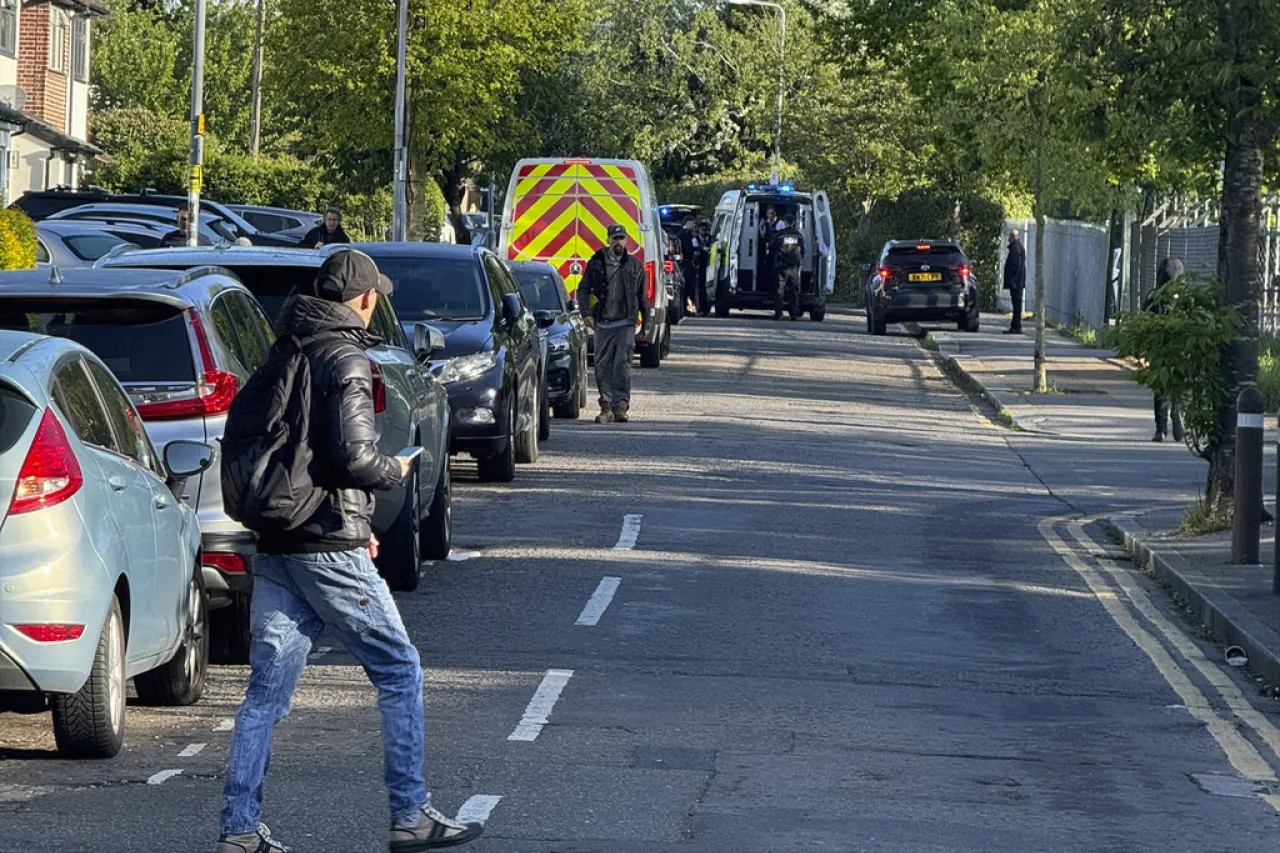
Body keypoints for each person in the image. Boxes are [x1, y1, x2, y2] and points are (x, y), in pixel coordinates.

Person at [214, 250, 483, 853]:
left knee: (265, 693)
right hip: (326, 545)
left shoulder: (284, 352)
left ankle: (237, 829)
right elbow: (354, 458)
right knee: (398, 667)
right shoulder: (347, 358)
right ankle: (410, 815)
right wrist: (397, 469)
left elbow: (300, 457)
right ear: (363, 300)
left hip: (278, 541)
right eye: (374, 295)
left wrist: (355, 516)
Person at [581, 224, 652, 424]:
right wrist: (586, 313)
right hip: (603, 323)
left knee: (622, 365)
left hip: (625, 323)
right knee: (602, 366)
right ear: (608, 240)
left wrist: (647, 323)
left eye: (621, 238)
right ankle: (606, 407)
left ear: (626, 241)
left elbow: (643, 297)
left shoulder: (635, 265)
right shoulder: (596, 263)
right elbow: (583, 289)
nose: (618, 242)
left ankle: (620, 406)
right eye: (615, 239)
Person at [1147, 256, 1186, 443]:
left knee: (1160, 388)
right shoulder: (1184, 299)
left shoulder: (1153, 297)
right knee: (1177, 383)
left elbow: (1144, 322)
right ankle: (1177, 411)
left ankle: (1161, 429)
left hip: (1158, 347)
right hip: (1179, 346)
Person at [770, 213, 805, 320]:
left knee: (780, 289)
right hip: (794, 266)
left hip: (782, 266)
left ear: (785, 222)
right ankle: (794, 314)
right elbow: (803, 250)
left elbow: (773, 248)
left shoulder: (780, 235)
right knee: (794, 290)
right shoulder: (798, 235)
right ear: (793, 222)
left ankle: (778, 314)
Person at [1003, 228, 1027, 333]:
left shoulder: (1016, 248)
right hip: (1017, 282)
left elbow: (1016, 265)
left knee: (1017, 304)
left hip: (1016, 282)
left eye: (1010, 236)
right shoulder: (1016, 247)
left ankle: (1016, 327)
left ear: (1013, 237)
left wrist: (1013, 279)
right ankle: (1015, 326)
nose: (1009, 238)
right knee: (1016, 304)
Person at [678, 216, 700, 314]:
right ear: (687, 222)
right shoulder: (681, 234)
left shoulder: (692, 235)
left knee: (691, 289)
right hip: (685, 264)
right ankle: (686, 309)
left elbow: (695, 246)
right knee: (686, 289)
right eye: (692, 223)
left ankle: (690, 309)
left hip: (691, 265)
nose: (693, 225)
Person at [696, 220, 713, 316]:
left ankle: (707, 308)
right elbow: (694, 250)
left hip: (709, 266)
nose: (704, 232)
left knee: (708, 287)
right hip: (700, 267)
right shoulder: (695, 239)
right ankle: (702, 308)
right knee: (701, 288)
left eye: (705, 230)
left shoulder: (710, 239)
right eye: (702, 230)